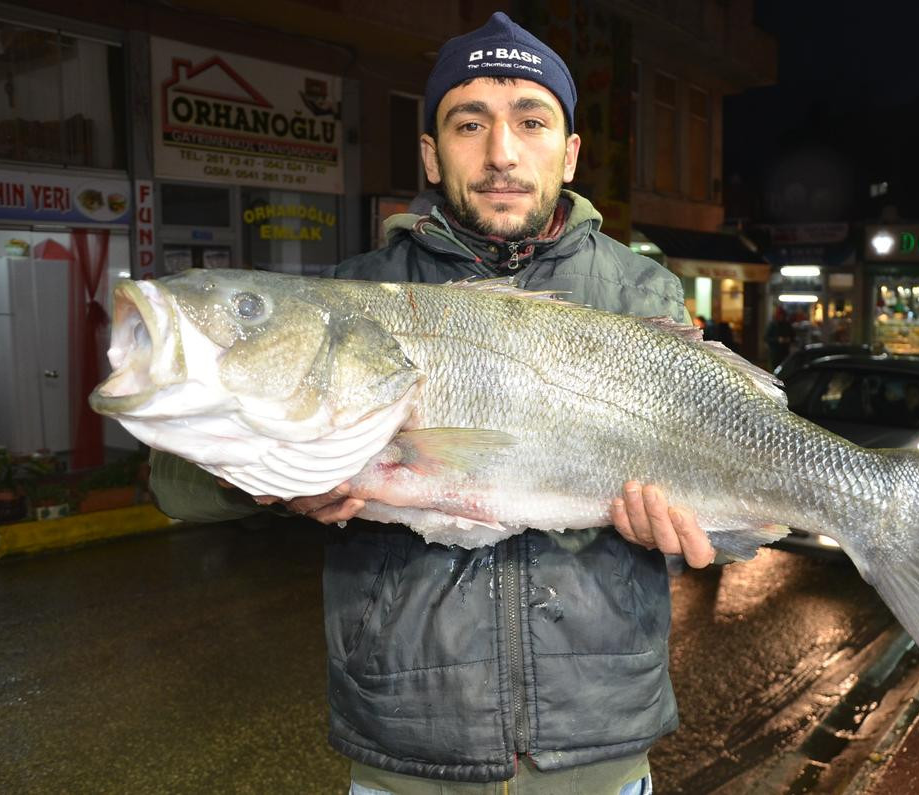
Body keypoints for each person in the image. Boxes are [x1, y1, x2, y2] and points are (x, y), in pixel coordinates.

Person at [147, 12, 714, 794]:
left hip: (598, 750)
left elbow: (724, 481)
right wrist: (271, 482)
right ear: (430, 152)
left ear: (570, 152)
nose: (501, 152)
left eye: (531, 122)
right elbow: (174, 483)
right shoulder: (352, 296)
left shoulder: (639, 294)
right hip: (406, 754)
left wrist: (686, 529)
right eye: (469, 123)